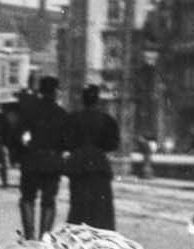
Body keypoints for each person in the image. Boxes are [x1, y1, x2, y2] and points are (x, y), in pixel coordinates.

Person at [18, 75, 68, 237]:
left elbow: (18, 136)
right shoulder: (61, 114)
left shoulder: (29, 111)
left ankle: (29, 237)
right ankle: (43, 239)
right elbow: (66, 142)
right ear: (55, 92)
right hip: (52, 163)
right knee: (49, 201)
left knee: (27, 198)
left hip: (31, 161)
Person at [64, 84, 120, 229]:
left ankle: (78, 232)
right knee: (101, 207)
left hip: (78, 164)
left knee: (78, 205)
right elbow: (113, 144)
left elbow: (66, 141)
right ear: (97, 100)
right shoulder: (107, 120)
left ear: (83, 100)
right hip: (99, 164)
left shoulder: (73, 118)